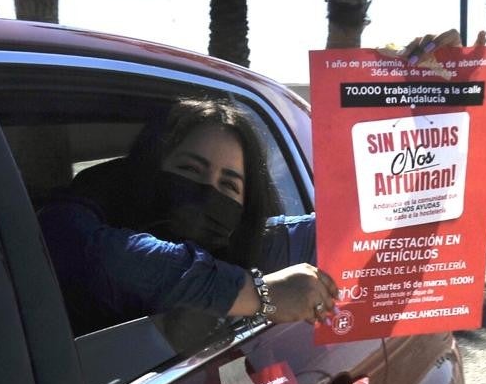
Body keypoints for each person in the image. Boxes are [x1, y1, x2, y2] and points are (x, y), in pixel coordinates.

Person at [39, 98, 337, 337]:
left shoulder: (250, 247)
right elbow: (92, 252)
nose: (207, 191)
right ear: (152, 169)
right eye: (191, 169)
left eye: (229, 184)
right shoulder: (76, 225)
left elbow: (365, 226)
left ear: (245, 207)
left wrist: (382, 85)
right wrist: (260, 294)